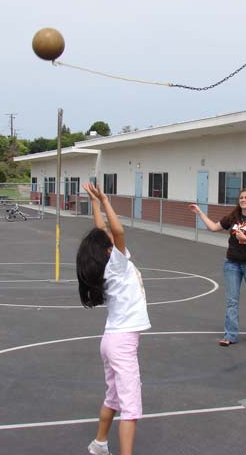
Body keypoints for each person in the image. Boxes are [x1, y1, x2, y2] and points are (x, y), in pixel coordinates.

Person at [76, 182, 151, 455]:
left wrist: (96, 204)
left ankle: (99, 443)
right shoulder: (117, 263)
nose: (109, 233)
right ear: (108, 249)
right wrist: (106, 200)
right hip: (122, 343)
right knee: (131, 408)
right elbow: (118, 231)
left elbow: (103, 231)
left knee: (114, 397)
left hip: (111, 340)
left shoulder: (107, 265)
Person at [189, 188, 246, 350]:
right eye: (241, 197)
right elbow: (213, 227)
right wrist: (199, 213)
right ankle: (230, 335)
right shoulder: (233, 216)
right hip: (232, 264)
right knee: (232, 302)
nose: (243, 200)